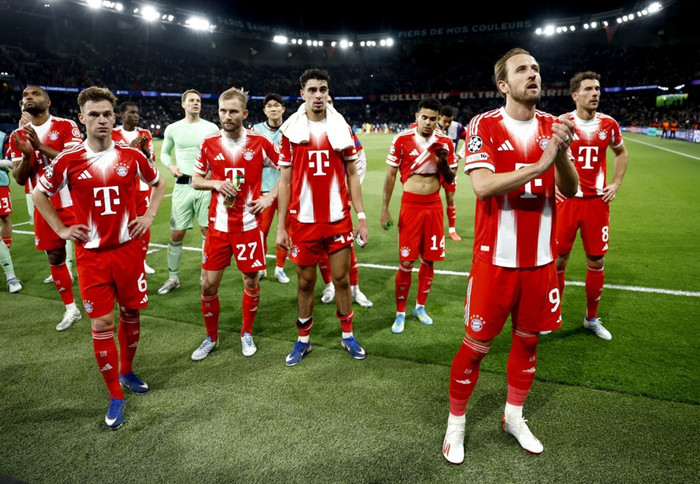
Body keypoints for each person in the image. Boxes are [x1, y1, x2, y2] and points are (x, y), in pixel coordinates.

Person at [442, 48, 578, 463]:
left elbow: (570, 189)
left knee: (529, 344)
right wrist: (541, 164)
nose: (532, 74)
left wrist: (561, 154)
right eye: (522, 69)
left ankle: (513, 417)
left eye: (535, 68)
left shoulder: (553, 125)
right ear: (503, 84)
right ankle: (456, 425)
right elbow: (482, 186)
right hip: (494, 262)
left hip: (540, 262)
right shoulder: (484, 124)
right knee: (475, 347)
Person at [32, 86, 166, 429]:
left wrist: (149, 216)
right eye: (94, 114)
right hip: (91, 257)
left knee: (131, 313)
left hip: (128, 251)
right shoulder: (68, 159)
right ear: (82, 118)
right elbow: (38, 193)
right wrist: (61, 229)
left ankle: (127, 372)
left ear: (114, 117)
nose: (102, 119)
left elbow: (159, 183)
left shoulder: (131, 156)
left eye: (107, 114)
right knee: (102, 323)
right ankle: (115, 395)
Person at [276, 68, 369, 366]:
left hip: (337, 219)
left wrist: (361, 217)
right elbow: (285, 182)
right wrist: (281, 227)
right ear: (302, 93)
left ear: (329, 93)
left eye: (323, 89)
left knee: (341, 279)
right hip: (302, 221)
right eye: (313, 90)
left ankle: (348, 336)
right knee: (305, 283)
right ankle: (303, 341)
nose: (318, 95)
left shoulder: (342, 128)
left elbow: (353, 174)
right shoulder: (290, 132)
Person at [190, 87, 278, 360]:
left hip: (248, 226)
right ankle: (211, 337)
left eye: (233, 111)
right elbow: (196, 180)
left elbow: (288, 170)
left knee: (250, 280)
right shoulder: (209, 143)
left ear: (245, 113)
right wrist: (215, 183)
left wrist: (269, 197)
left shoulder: (260, 142)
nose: (226, 116)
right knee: (208, 285)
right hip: (218, 227)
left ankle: (246, 332)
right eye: (222, 111)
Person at [555, 71, 629, 341]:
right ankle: (553, 314)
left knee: (596, 260)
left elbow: (621, 152)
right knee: (559, 259)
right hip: (567, 202)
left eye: (597, 88)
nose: (595, 93)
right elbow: (546, 155)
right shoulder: (562, 123)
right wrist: (552, 184)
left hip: (597, 203)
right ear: (575, 95)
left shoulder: (609, 124)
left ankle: (591, 318)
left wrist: (616, 183)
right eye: (588, 89)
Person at [381, 97, 456, 334]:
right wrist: (385, 208)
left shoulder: (445, 142)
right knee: (406, 262)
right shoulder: (402, 139)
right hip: (410, 206)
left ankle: (420, 307)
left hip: (433, 206)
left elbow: (451, 178)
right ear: (417, 117)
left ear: (438, 120)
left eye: (433, 119)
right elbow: (391, 175)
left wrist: (442, 160)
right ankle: (400, 312)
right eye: (424, 117)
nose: (428, 122)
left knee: (429, 259)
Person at [9, 85, 82, 330]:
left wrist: (39, 147)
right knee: (55, 256)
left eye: (35, 94)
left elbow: (75, 162)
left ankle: (100, 301)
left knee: (90, 252)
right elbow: (20, 179)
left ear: (48, 102)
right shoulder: (17, 135)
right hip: (44, 205)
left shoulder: (66, 125)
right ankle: (71, 309)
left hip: (75, 200)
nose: (28, 97)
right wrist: (27, 155)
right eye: (25, 95)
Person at [158, 89, 219, 295]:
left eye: (198, 100)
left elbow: (217, 153)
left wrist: (212, 172)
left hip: (205, 186)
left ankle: (205, 274)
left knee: (206, 231)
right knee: (176, 233)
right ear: (183, 104)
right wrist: (170, 166)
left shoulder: (211, 128)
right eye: (191, 100)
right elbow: (165, 153)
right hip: (182, 185)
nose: (196, 103)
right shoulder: (173, 128)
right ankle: (173, 277)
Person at [317, 92, 373, 308]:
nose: (326, 105)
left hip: (338, 200)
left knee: (346, 245)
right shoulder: (301, 129)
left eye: (330, 101)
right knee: (320, 247)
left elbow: (359, 159)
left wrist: (350, 189)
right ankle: (329, 285)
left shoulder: (343, 128)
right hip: (312, 202)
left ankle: (355, 290)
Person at [112, 102, 157, 275]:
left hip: (142, 186)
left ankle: (142, 260)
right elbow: (110, 158)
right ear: (122, 115)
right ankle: (122, 258)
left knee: (143, 223)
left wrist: (143, 148)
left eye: (137, 112)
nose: (136, 115)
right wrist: (130, 147)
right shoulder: (113, 134)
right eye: (132, 112)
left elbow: (151, 160)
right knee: (121, 222)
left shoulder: (145, 134)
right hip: (121, 186)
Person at [251, 92, 290, 284]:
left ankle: (280, 268)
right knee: (261, 230)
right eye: (269, 106)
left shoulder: (292, 128)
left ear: (283, 109)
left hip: (287, 188)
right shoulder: (256, 130)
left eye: (277, 105)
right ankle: (261, 267)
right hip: (264, 189)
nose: (273, 108)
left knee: (285, 229)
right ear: (265, 110)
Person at [437, 105, 468, 242]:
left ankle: (452, 230)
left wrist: (460, 155)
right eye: (445, 121)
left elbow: (469, 139)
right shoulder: (432, 127)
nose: (447, 124)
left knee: (450, 198)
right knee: (433, 198)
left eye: (450, 121)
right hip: (435, 168)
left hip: (451, 167)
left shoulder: (458, 127)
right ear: (439, 118)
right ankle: (436, 228)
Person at [0, 141, 21, 293]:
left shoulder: (3, 137)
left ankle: (10, 274)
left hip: (0, 184)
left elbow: (13, 162)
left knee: (5, 218)